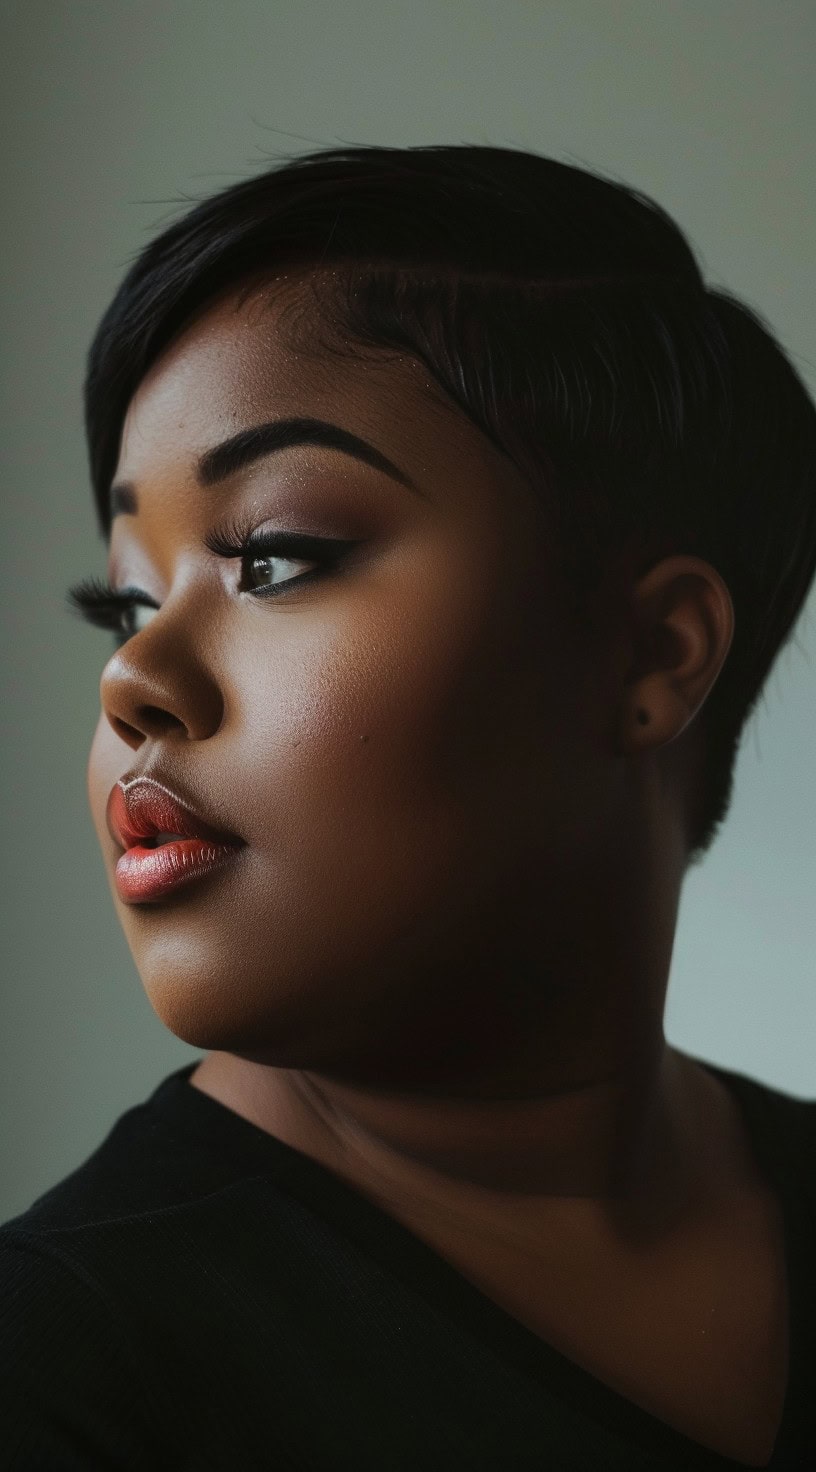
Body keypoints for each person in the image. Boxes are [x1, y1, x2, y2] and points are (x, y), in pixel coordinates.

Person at [1, 142, 814, 1471]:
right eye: (128, 602)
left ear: (655, 654)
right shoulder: (58, 1370)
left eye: (272, 558)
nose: (132, 679)